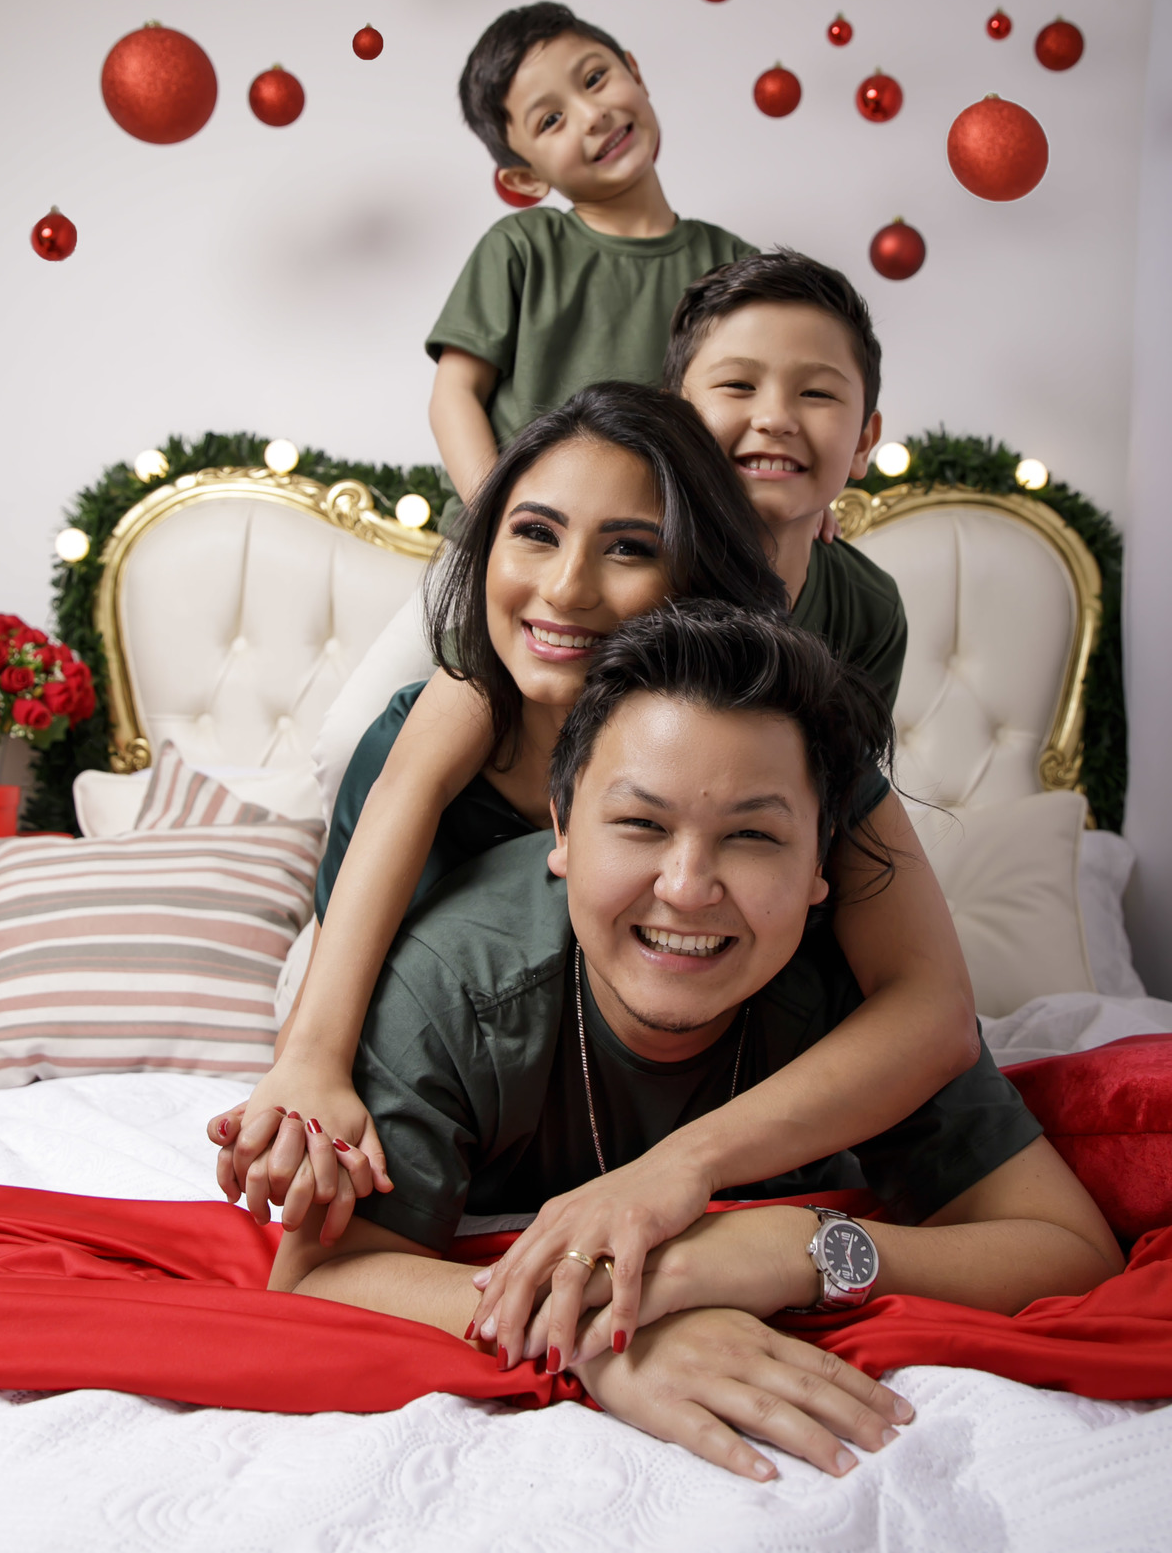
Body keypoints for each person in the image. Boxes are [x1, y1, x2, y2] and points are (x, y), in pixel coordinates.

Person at [266, 602, 1122, 1484]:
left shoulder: (857, 1001)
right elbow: (322, 1277)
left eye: (752, 836)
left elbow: (1071, 1248)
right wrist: (611, 1331)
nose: (686, 887)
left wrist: (793, 1249)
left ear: (823, 859)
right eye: (640, 825)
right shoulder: (455, 980)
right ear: (561, 827)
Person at [213, 382, 976, 1333]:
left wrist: (686, 1172)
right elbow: (342, 996)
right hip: (400, 1025)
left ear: (699, 577)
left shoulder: (781, 746)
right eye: (534, 533)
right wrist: (311, 1075)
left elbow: (935, 1010)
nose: (568, 588)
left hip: (680, 1061)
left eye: (630, 548)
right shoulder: (438, 740)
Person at [426, 0, 756, 527]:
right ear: (525, 178)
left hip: (656, 548)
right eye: (552, 119)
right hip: (506, 550)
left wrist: (800, 502)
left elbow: (760, 411)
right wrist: (501, 513)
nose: (592, 114)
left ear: (636, 72)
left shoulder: (732, 265)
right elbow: (454, 395)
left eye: (596, 78)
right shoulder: (521, 247)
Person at [666, 247, 905, 703]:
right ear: (671, 416)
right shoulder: (620, 562)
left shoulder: (869, 609)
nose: (775, 419)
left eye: (816, 392)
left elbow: (847, 771)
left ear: (861, 443)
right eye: (738, 385)